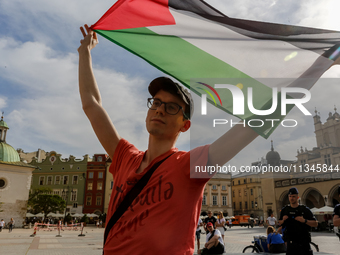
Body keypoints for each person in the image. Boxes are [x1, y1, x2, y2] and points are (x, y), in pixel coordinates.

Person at [78, 24, 260, 254]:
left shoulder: (188, 166)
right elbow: (91, 104)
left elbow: (249, 130)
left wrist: (304, 80)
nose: (160, 110)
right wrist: (85, 52)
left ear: (185, 125)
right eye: (156, 103)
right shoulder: (125, 157)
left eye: (172, 107)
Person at [278, 187, 318, 255]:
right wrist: (283, 220)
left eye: (293, 196)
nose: (291, 198)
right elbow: (279, 223)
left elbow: (316, 223)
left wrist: (304, 221)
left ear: (297, 197)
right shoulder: (285, 210)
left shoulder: (304, 209)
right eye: (290, 196)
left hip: (303, 242)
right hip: (291, 243)